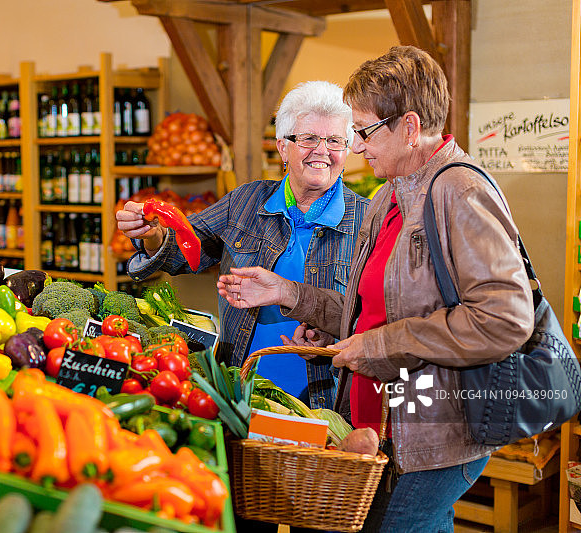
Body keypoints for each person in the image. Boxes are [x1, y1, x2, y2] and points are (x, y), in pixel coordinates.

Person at [218, 46, 535, 532]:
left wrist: (378, 345)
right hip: (385, 430)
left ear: (409, 128)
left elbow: (504, 319)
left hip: (436, 431)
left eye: (363, 133)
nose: (357, 147)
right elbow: (370, 309)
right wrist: (294, 297)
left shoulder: (461, 192)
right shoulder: (389, 195)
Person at [116, 80, 368, 412]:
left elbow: (379, 318)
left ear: (347, 150)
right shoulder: (246, 201)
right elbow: (183, 250)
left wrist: (334, 340)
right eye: (308, 138)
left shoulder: (368, 220)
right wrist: (151, 235)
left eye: (335, 140)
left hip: (329, 402)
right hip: (241, 392)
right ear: (282, 148)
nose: (322, 151)